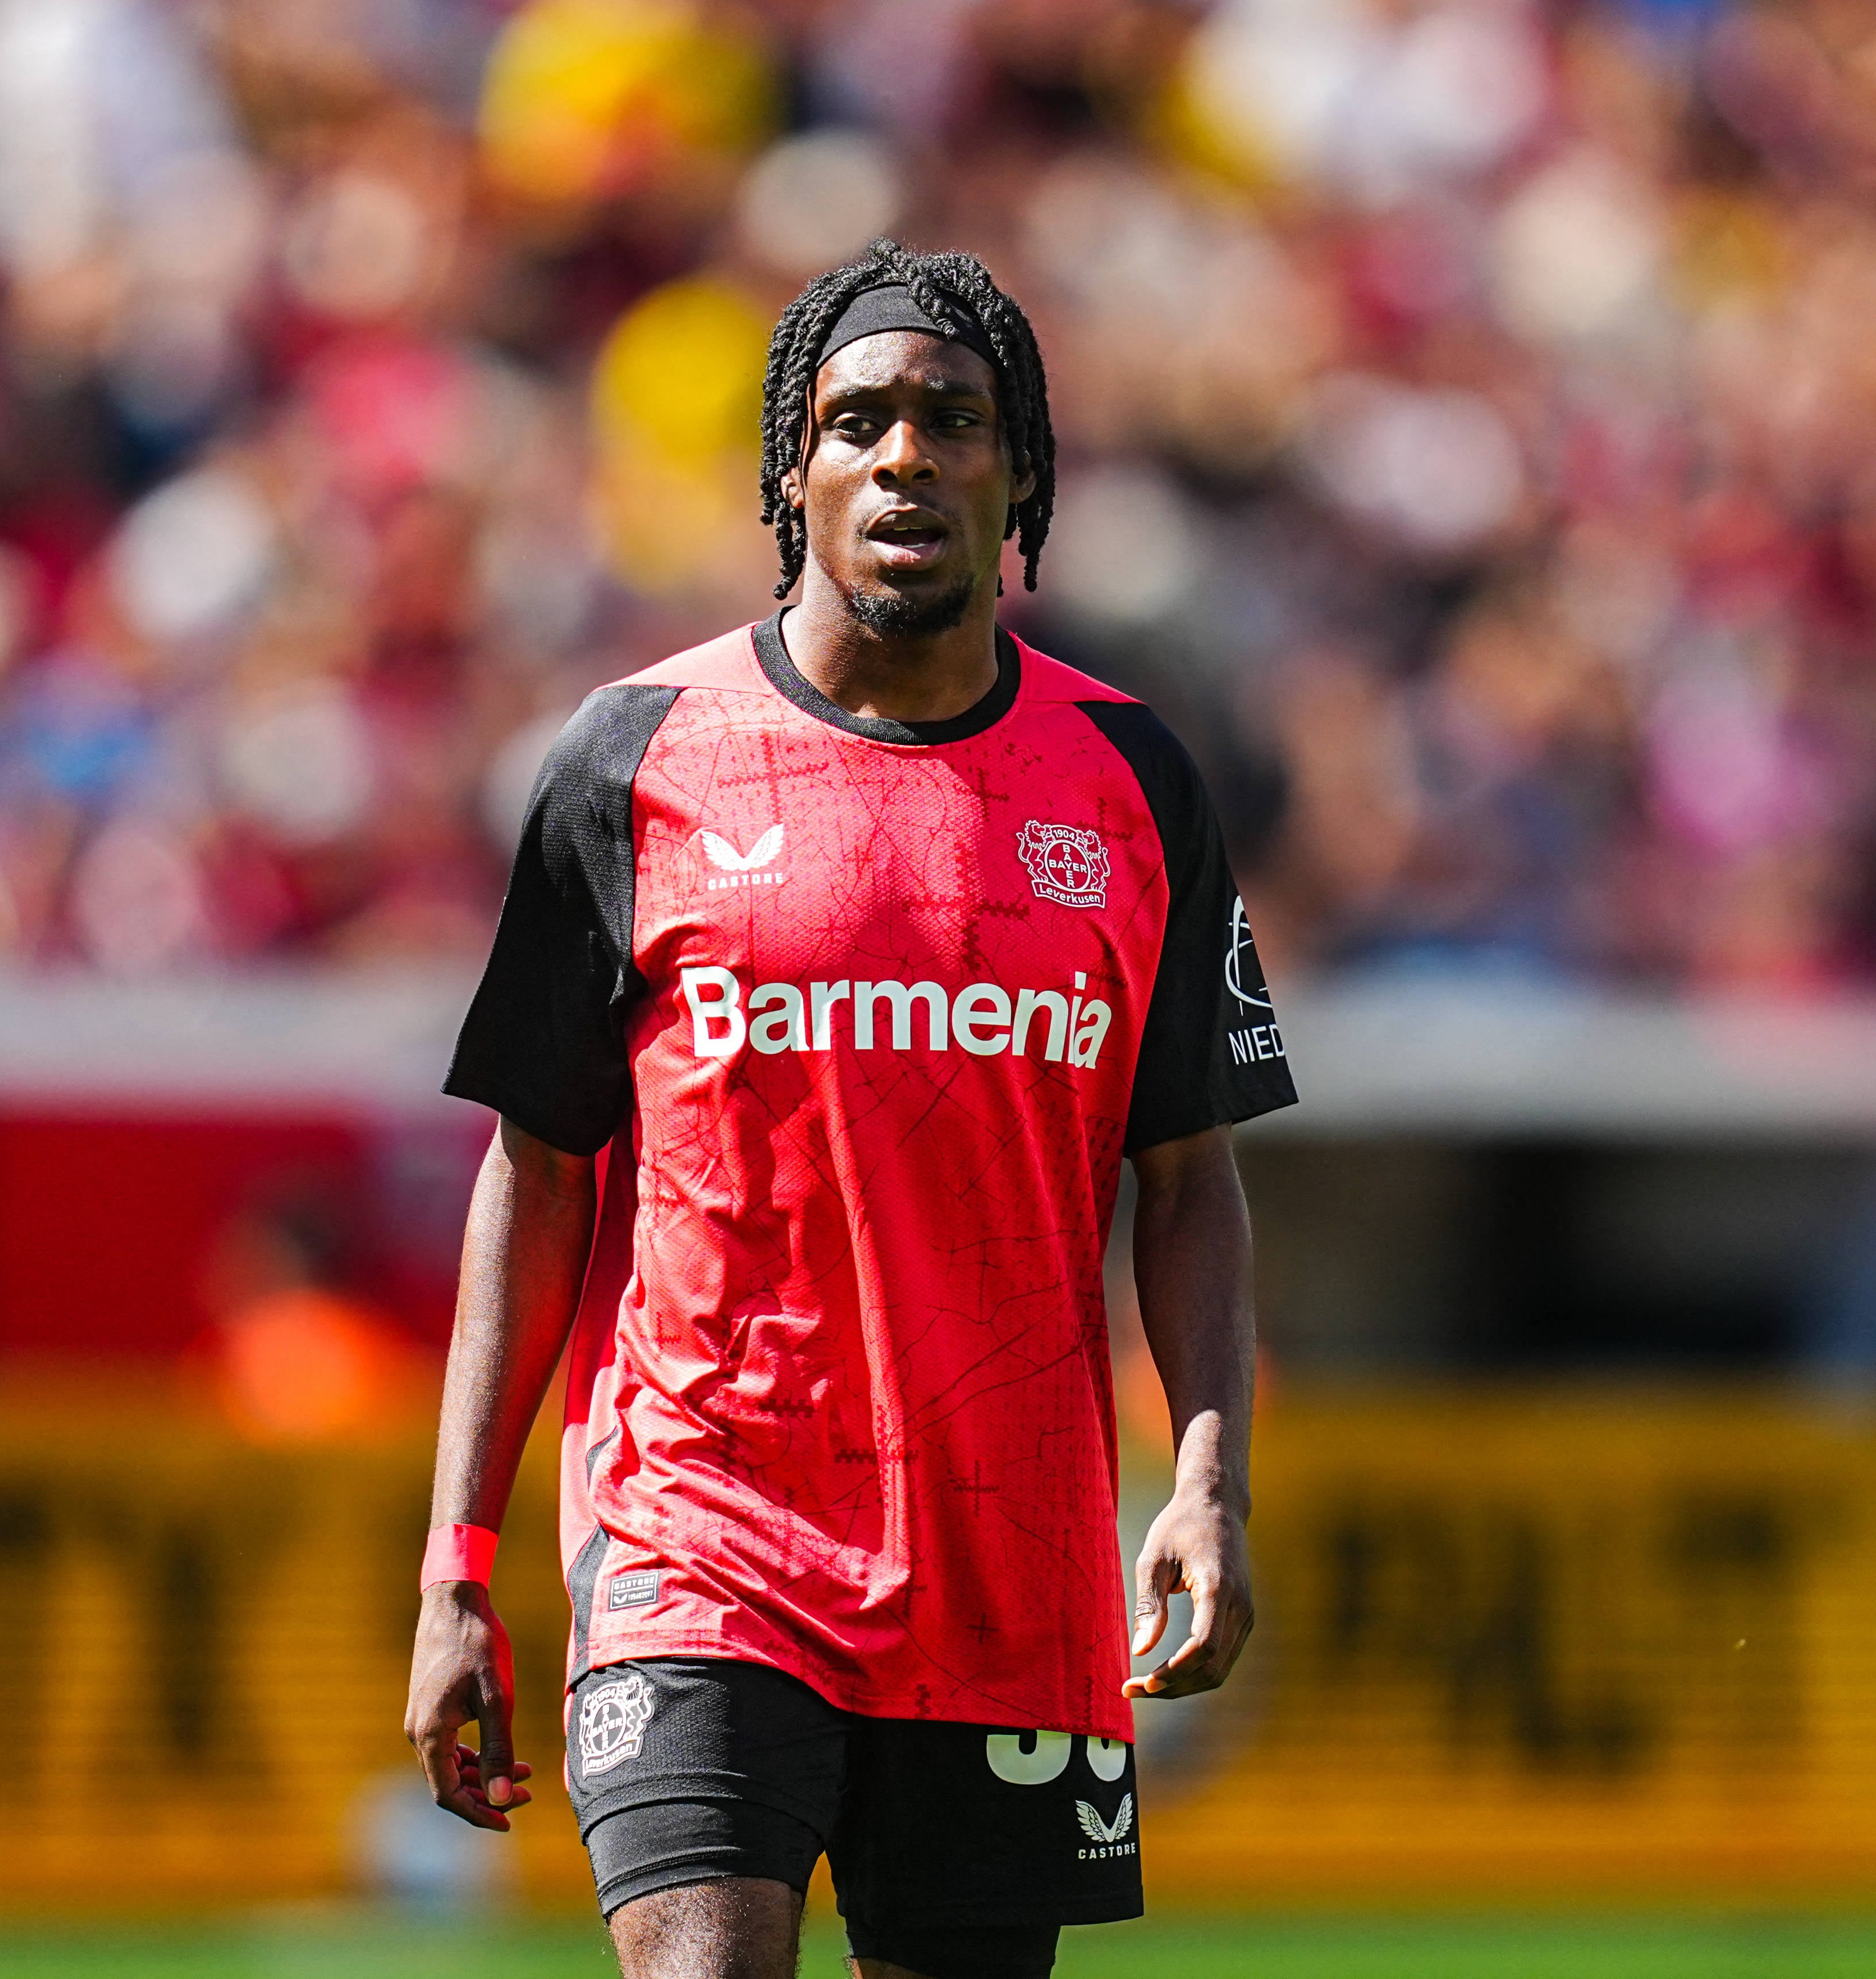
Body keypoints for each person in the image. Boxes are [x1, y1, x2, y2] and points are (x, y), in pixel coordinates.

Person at [403, 239, 1295, 1979]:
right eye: (858, 420)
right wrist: (457, 1560)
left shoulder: (1134, 785)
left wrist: (1205, 1486)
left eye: (953, 422)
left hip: (1009, 1568)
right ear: (790, 473)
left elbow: (1187, 1181)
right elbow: (534, 1176)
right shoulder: (632, 758)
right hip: (697, 1533)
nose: (905, 456)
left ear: (1017, 473)